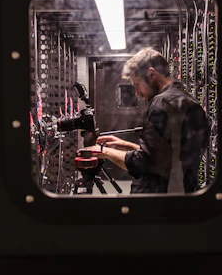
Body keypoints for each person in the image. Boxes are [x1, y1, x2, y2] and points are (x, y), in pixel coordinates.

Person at [88, 47, 209, 194]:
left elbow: (143, 163)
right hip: (180, 196)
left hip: (156, 200)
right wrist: (125, 145)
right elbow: (166, 157)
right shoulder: (188, 101)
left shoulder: (161, 103)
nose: (137, 93)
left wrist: (104, 151)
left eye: (137, 85)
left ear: (152, 74)